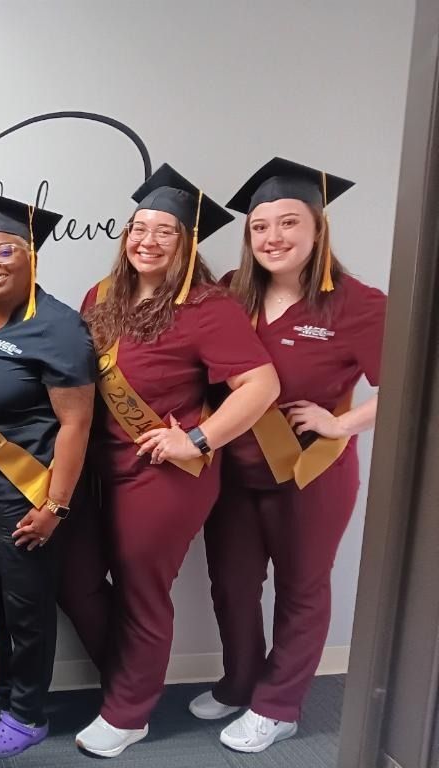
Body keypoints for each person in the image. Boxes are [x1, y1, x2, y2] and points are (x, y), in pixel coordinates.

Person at [70, 164, 281, 758]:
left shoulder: (207, 308)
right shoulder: (100, 296)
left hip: (163, 475)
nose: (148, 240)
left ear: (187, 244)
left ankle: (130, 712)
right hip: (98, 469)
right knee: (78, 576)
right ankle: (129, 676)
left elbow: (260, 386)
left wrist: (200, 438)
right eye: (140, 227)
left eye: (166, 231)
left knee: (142, 589)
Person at [189, 158, 386, 753]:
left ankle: (279, 705)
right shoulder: (230, 293)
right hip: (236, 472)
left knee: (302, 589)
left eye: (288, 223)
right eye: (259, 227)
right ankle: (241, 680)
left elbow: (414, 381)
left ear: (317, 229)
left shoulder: (358, 303)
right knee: (232, 584)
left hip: (309, 474)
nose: (273, 238)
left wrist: (341, 421)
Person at [0, 192, 95, 757]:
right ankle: (1, 692)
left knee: (28, 606)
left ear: (32, 255)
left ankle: (29, 711)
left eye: (6, 249)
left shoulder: (56, 326)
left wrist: (55, 506)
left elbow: (76, 424)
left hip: (26, 490)